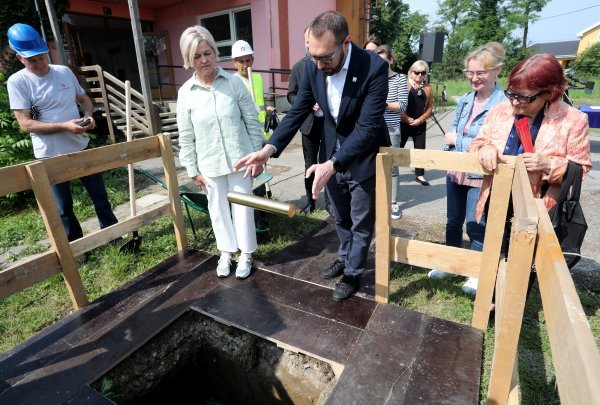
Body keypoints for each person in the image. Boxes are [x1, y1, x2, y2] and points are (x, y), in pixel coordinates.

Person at [235, 11, 390, 301]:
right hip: (329, 150)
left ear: (346, 43)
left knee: (360, 219)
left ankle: (354, 274)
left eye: (325, 58)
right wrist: (269, 149)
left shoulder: (374, 68)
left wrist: (334, 163)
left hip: (363, 155)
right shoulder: (312, 65)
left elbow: (368, 128)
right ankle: (345, 257)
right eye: (313, 56)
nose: (318, 65)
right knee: (340, 215)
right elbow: (297, 111)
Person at [6, 23, 118, 243]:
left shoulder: (63, 72)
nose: (39, 64)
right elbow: (26, 124)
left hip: (81, 146)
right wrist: (65, 126)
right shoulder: (17, 82)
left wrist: (89, 115)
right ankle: (75, 247)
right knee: (63, 207)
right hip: (49, 155)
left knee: (100, 197)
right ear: (20, 58)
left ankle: (113, 234)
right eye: (32, 60)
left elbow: (84, 99)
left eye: (42, 57)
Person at [470, 53, 592, 251]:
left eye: (525, 97)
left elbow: (581, 169)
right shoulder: (499, 110)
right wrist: (486, 148)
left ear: (549, 93)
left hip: (538, 204)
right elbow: (477, 142)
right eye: (512, 93)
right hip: (497, 197)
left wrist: (547, 165)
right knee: (495, 252)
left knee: (525, 260)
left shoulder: (573, 120)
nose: (516, 102)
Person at [176, 26, 265, 279]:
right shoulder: (185, 94)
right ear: (188, 60)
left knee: (243, 208)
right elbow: (186, 135)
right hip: (209, 164)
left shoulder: (235, 83)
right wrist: (192, 170)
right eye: (196, 56)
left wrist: (258, 155)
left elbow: (251, 121)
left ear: (215, 53)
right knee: (217, 210)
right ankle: (226, 252)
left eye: (207, 53)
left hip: (241, 159)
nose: (204, 60)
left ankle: (246, 254)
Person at [427, 42, 507, 295]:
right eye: (470, 73)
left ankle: (475, 271)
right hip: (456, 169)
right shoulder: (464, 100)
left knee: (475, 223)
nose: (474, 78)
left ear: (496, 71)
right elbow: (451, 131)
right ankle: (451, 263)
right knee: (453, 221)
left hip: (481, 175)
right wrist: (453, 149)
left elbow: (494, 142)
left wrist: (457, 142)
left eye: (480, 73)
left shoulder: (503, 104)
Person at [287, 28, 325, 214]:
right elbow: (291, 95)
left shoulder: (327, 63)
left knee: (329, 163)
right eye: (307, 41)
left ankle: (332, 203)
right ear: (305, 42)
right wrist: (309, 105)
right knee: (309, 165)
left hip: (328, 126)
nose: (310, 44)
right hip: (309, 125)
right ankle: (311, 201)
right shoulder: (298, 67)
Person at [374, 44, 408, 220]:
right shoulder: (372, 78)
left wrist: (383, 104)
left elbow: (402, 105)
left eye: (384, 61)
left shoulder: (401, 79)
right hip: (372, 128)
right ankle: (376, 200)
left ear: (391, 60)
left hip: (392, 129)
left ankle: (393, 203)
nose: (380, 65)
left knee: (392, 167)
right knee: (373, 165)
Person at [231, 39, 275, 139]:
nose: (245, 65)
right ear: (234, 62)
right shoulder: (232, 82)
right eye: (241, 62)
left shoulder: (257, 78)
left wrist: (267, 107)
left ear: (252, 60)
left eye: (248, 60)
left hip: (264, 133)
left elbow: (260, 102)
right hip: (247, 136)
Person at [401, 60, 433, 186]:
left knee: (420, 149)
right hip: (403, 122)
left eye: (423, 73)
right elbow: (397, 105)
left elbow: (430, 107)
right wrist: (406, 118)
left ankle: (420, 175)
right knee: (397, 148)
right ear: (411, 72)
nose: (419, 75)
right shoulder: (403, 85)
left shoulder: (428, 88)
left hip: (419, 123)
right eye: (416, 72)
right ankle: (390, 172)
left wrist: (420, 120)